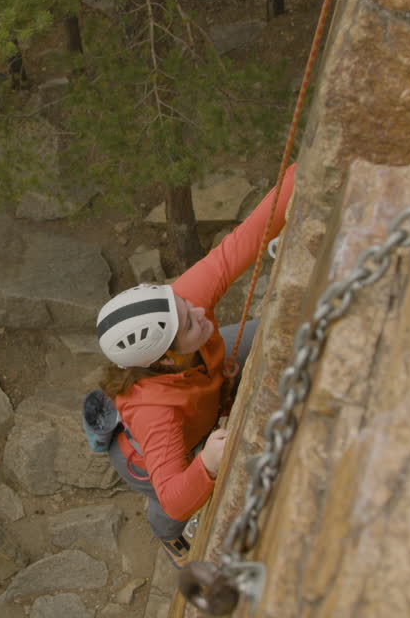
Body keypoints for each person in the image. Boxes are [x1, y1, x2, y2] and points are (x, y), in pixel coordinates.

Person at [94, 164, 296, 566]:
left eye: (183, 305)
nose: (198, 310)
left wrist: (300, 172)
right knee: (169, 512)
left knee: (274, 330)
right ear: (166, 356)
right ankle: (166, 538)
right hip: (146, 459)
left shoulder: (179, 307)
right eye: (188, 321)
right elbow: (173, 495)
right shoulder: (154, 412)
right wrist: (206, 462)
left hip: (207, 377)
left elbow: (248, 237)